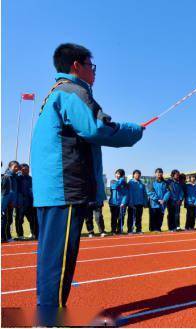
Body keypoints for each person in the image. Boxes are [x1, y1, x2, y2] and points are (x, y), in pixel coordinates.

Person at [30, 43, 143, 325]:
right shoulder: (73, 92)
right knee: (59, 262)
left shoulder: (55, 94)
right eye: (91, 66)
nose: (94, 73)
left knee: (51, 259)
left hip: (52, 189)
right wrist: (134, 131)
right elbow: (97, 128)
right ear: (76, 66)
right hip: (65, 189)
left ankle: (48, 316)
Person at [15, 163, 38, 240]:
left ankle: (34, 234)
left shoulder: (31, 179)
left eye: (27, 169)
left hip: (30, 203)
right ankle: (20, 235)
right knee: (19, 220)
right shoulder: (17, 178)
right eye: (23, 169)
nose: (25, 171)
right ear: (20, 170)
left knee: (32, 220)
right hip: (20, 203)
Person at [1, 161, 20, 242]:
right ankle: (4, 237)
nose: (17, 168)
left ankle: (7, 236)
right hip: (5, 203)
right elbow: (4, 192)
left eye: (17, 167)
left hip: (11, 202)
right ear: (9, 167)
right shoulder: (6, 177)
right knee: (4, 219)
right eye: (15, 167)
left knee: (9, 220)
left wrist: (13, 202)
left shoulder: (15, 178)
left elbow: (14, 192)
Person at [148, 168, 170, 232]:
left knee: (160, 217)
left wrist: (164, 200)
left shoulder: (165, 182)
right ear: (155, 174)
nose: (159, 174)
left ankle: (158, 228)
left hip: (162, 203)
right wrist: (157, 199)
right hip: (154, 203)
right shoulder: (151, 181)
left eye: (160, 172)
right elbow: (150, 192)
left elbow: (168, 192)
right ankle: (152, 229)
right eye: (157, 172)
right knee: (153, 217)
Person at [109, 169, 129, 234]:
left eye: (119, 174)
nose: (117, 175)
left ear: (122, 175)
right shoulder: (113, 182)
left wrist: (123, 202)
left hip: (121, 204)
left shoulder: (124, 184)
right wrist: (121, 180)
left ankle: (119, 230)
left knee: (121, 218)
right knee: (113, 218)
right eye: (116, 173)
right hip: (113, 204)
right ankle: (113, 230)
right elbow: (115, 186)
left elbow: (126, 194)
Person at [128, 170, 147, 234]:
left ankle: (138, 229)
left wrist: (145, 202)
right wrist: (131, 203)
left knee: (139, 217)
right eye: (136, 174)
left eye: (139, 174)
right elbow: (129, 194)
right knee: (131, 217)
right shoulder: (130, 183)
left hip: (140, 203)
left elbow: (144, 193)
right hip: (132, 203)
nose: (138, 175)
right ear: (133, 175)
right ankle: (130, 230)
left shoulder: (142, 184)